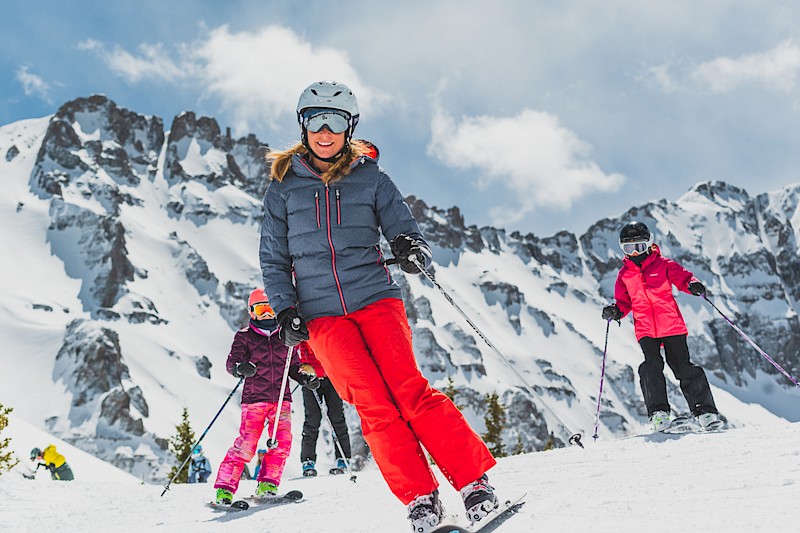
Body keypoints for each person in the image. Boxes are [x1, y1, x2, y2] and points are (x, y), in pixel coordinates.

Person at [260, 80, 497, 532]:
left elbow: (403, 228)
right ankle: (421, 499)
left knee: (409, 391)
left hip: (374, 298)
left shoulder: (371, 178)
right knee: (373, 406)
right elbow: (273, 258)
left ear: (350, 128)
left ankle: (474, 484)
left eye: (335, 122)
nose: (325, 132)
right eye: (315, 121)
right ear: (303, 125)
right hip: (321, 315)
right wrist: (285, 308)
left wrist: (411, 248)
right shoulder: (283, 187)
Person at [602, 221, 723, 432]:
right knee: (651, 367)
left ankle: (705, 413)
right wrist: (615, 311)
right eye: (628, 248)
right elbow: (624, 303)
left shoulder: (664, 265)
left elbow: (683, 278)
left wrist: (692, 285)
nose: (634, 252)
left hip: (672, 325)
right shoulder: (625, 275)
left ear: (649, 244)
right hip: (646, 330)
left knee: (684, 368)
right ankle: (659, 414)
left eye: (638, 246)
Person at [212, 288, 318, 506]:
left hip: (281, 400)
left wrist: (305, 379)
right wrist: (241, 368)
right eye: (261, 310)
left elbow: (294, 367)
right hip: (255, 401)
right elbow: (232, 362)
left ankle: (268, 484)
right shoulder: (245, 337)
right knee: (246, 445)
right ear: (252, 312)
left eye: (270, 309)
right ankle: (224, 489)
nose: (267, 315)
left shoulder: (285, 337)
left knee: (282, 443)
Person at [296, 341, 352, 477]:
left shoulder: (325, 323)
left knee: (337, 418)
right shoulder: (302, 325)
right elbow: (292, 347)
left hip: (331, 377)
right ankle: (308, 462)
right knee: (312, 420)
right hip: (310, 378)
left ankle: (343, 460)